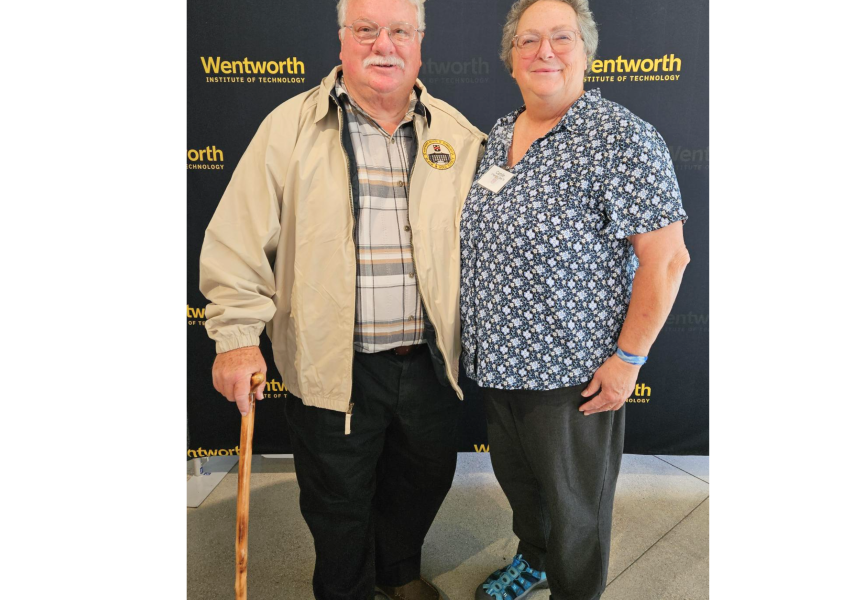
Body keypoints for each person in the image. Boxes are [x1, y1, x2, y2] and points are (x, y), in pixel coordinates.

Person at [198, 0, 486, 598]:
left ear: (419, 44)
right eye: (366, 30)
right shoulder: (290, 128)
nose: (385, 44)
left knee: (421, 481)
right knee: (337, 502)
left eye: (400, 31)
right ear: (342, 43)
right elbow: (237, 240)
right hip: (336, 364)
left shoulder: (457, 135)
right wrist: (234, 340)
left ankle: (398, 572)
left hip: (431, 365)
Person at [459, 1, 691, 599]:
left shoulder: (622, 138)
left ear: (585, 51)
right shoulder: (499, 135)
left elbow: (667, 260)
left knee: (576, 509)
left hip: (573, 377)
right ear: (511, 57)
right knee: (522, 488)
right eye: (529, 40)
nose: (545, 51)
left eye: (561, 38)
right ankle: (533, 561)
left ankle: (574, 590)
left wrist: (628, 362)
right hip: (498, 367)